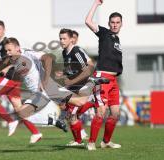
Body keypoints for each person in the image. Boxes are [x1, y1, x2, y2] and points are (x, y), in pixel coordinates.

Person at [0, 20, 42, 143]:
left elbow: (13, 59)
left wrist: (2, 71)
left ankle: (11, 120)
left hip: (9, 78)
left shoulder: (7, 43)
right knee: (19, 109)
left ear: (4, 30)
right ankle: (35, 133)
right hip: (12, 79)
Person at [85, 0, 123, 150]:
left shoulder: (117, 39)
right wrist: (96, 3)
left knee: (115, 113)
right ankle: (91, 142)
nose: (114, 24)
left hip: (114, 80)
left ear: (121, 24)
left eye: (117, 22)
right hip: (102, 77)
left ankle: (106, 141)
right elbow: (88, 21)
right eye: (112, 22)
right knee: (101, 111)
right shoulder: (104, 33)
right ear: (109, 24)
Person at [58, 28, 97, 146]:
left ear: (71, 40)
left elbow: (87, 69)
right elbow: (70, 69)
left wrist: (73, 80)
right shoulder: (64, 52)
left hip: (82, 85)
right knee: (64, 106)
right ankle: (78, 139)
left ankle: (91, 102)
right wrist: (63, 73)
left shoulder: (76, 51)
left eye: (64, 38)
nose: (62, 41)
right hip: (73, 86)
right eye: (60, 38)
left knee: (72, 113)